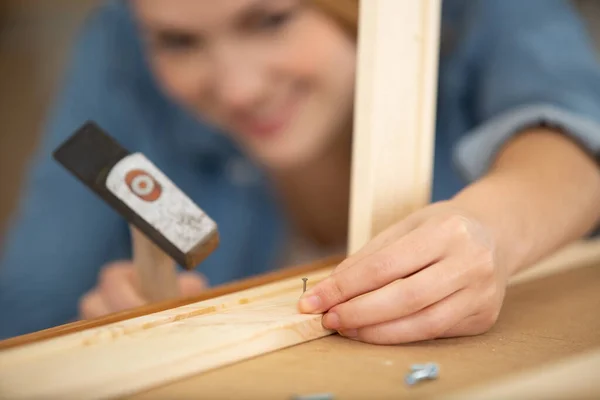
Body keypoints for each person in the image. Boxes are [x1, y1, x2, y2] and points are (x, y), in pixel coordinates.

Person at [1, 0, 600, 343]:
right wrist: (104, 330)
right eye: (179, 43)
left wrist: (493, 225)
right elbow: (27, 305)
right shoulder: (118, 38)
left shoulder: (489, 16)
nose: (238, 89)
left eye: (270, 19)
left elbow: (577, 133)